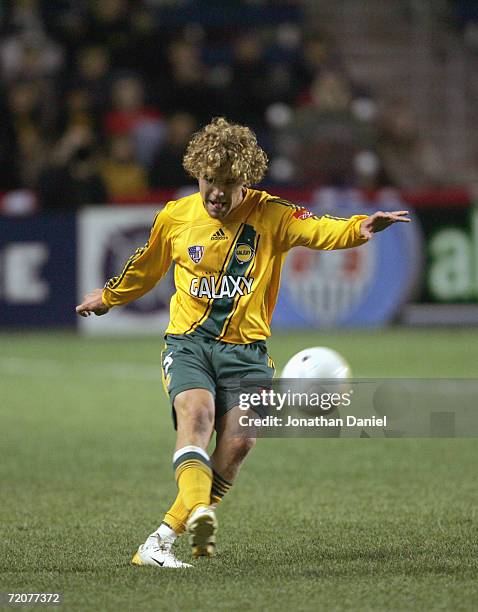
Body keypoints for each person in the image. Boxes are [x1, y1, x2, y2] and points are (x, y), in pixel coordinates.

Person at [76, 116, 410, 568]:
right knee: (196, 416)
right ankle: (199, 511)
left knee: (239, 443)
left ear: (246, 181)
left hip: (247, 352)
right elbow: (146, 266)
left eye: (228, 184)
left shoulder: (270, 214)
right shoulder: (177, 217)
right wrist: (110, 297)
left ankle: (158, 542)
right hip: (189, 344)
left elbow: (318, 229)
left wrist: (358, 228)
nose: (216, 192)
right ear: (197, 173)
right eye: (209, 181)